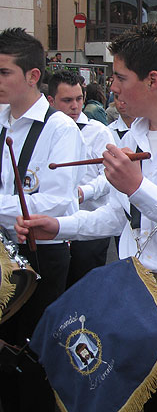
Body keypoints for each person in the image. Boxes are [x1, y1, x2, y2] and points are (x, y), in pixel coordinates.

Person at [16, 24, 157, 412]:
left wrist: (139, 188)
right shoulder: (130, 138)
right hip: (137, 294)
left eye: (119, 77)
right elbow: (119, 219)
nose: (111, 87)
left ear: (152, 81)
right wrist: (60, 226)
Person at [0, 28, 85, 411]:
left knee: (32, 355)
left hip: (41, 257)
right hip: (3, 252)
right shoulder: (1, 120)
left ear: (33, 76)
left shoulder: (60, 128)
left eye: (4, 73)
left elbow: (55, 202)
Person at [46, 71, 115, 287]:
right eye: (67, 100)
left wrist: (84, 193)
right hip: (54, 227)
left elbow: (109, 176)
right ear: (51, 101)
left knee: (85, 291)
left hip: (90, 225)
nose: (75, 106)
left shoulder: (99, 132)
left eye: (79, 99)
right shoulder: (44, 132)